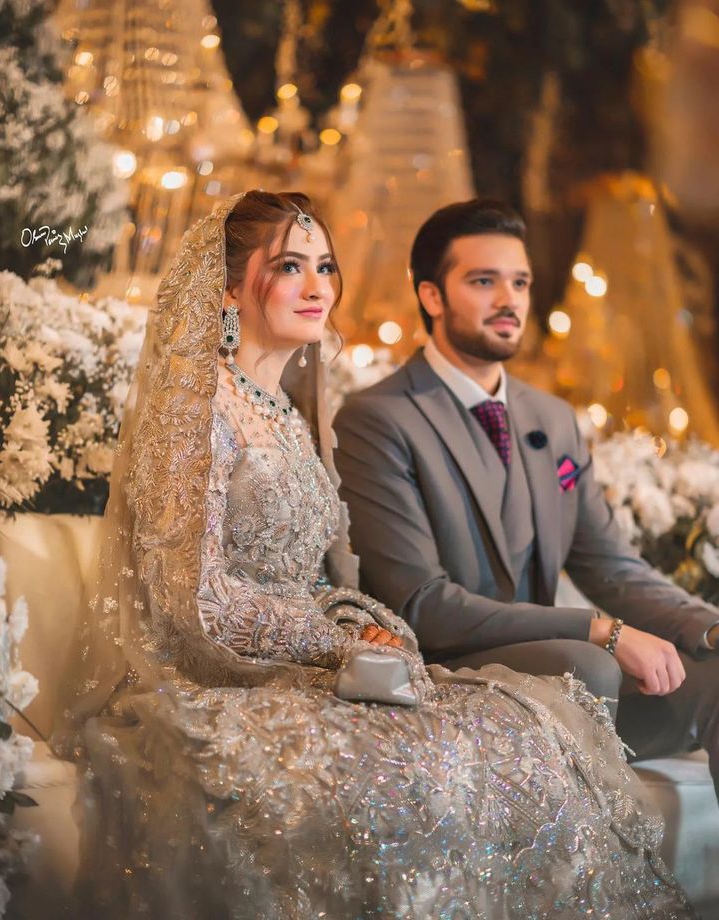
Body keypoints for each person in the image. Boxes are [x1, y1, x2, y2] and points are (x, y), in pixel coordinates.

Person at [53, 191, 694, 919]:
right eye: (290, 266)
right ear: (229, 288)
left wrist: (358, 626)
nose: (319, 285)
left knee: (519, 737)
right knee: (409, 769)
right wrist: (334, 643)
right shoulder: (199, 414)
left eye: (325, 265)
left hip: (313, 663)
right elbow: (194, 599)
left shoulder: (290, 416)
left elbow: (313, 577)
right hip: (222, 677)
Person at [333, 197, 719, 801]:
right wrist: (602, 632)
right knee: (586, 664)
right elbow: (421, 602)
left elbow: (613, 568)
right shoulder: (378, 419)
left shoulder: (552, 418)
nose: (509, 300)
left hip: (566, 668)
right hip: (449, 671)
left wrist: (710, 627)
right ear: (432, 296)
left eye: (519, 282)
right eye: (483, 281)